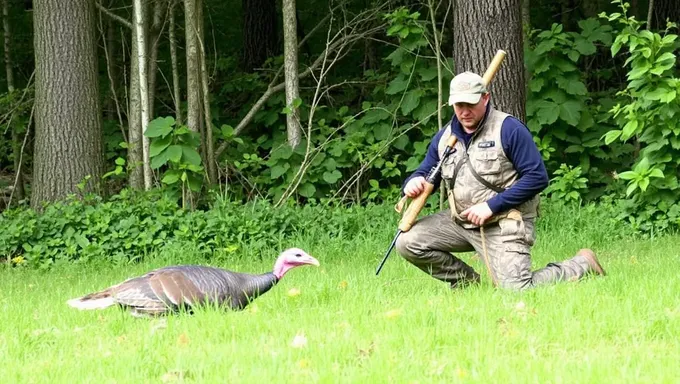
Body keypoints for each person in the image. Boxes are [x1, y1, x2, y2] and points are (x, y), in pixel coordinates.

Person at [395, 71, 605, 290]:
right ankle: (466, 283)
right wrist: (413, 181)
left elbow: (537, 178)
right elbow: (427, 171)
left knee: (516, 289)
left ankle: (581, 264)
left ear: (485, 98)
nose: (465, 112)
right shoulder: (445, 137)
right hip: (461, 221)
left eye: (471, 104)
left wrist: (490, 206)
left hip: (503, 221)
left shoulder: (509, 129)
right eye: (459, 106)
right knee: (407, 242)